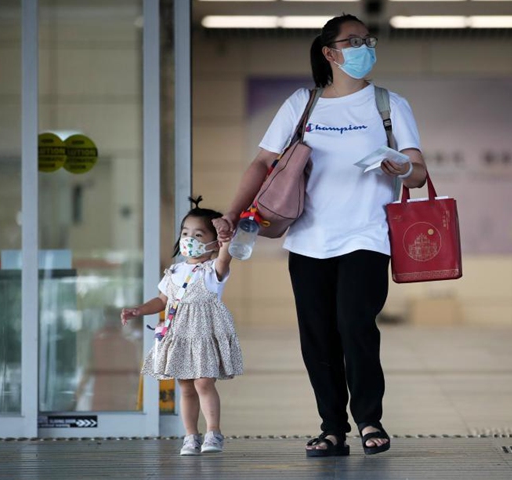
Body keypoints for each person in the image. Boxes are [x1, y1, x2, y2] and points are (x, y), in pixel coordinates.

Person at [213, 14, 427, 457]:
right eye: (354, 41)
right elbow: (262, 163)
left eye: (367, 39)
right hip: (308, 238)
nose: (365, 46)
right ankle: (332, 427)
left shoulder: (389, 104)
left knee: (355, 326)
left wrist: (403, 167)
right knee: (318, 334)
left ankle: (369, 419)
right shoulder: (302, 105)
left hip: (367, 236)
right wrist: (231, 213)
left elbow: (419, 172)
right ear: (329, 52)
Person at [122, 196, 244, 456]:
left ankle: (213, 432)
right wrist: (139, 310)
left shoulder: (213, 270)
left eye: (198, 234)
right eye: (186, 232)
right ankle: (191, 436)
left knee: (203, 383)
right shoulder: (174, 271)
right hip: (179, 335)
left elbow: (225, 258)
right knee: (186, 385)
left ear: (212, 242)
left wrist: (226, 242)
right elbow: (161, 300)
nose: (190, 238)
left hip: (203, 336)